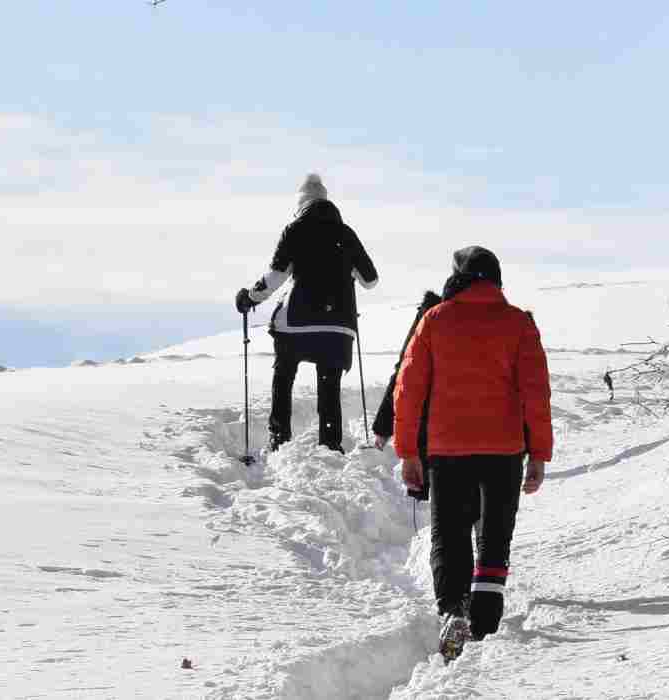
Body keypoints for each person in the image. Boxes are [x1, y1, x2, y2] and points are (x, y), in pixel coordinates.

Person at [389, 246, 552, 657]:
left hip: (448, 450)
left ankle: (452, 610)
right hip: (505, 450)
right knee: (495, 536)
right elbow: (536, 393)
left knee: (450, 535)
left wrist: (408, 451)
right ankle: (484, 621)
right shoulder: (518, 323)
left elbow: (408, 391)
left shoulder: (434, 321)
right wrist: (539, 455)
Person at [233, 174, 378, 452]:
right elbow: (370, 281)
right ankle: (331, 444)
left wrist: (250, 297)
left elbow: (275, 277)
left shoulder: (295, 229)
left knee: (284, 374)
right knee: (329, 383)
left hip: (296, 323)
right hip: (338, 326)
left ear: (300, 205)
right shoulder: (346, 234)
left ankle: (280, 438)